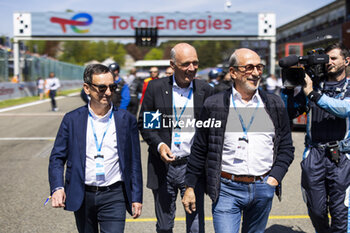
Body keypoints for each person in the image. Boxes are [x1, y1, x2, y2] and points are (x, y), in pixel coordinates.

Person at [182, 48, 294, 233]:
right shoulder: (213, 104)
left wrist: (274, 178)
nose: (256, 73)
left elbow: (286, 147)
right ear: (233, 72)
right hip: (227, 189)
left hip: (262, 187)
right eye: (249, 67)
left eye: (259, 67)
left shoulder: (274, 104)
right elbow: (200, 148)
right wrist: (190, 186)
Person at [48, 64, 143, 232]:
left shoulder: (126, 120)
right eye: (101, 88)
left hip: (115, 195)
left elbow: (134, 161)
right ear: (87, 88)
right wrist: (57, 187)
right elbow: (57, 157)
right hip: (82, 194)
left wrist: (136, 197)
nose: (108, 92)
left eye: (112, 87)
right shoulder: (72, 119)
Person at [138, 43, 214, 233]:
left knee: (196, 226)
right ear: (172, 65)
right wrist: (160, 145)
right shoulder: (156, 88)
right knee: (164, 227)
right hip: (164, 168)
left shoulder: (204, 90)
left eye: (195, 63)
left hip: (192, 166)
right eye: (186, 64)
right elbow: (147, 125)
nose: (192, 68)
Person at [283, 42, 350, 233]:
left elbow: (345, 109)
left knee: (341, 213)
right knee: (316, 210)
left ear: (346, 61)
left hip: (342, 157)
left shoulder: (345, 86)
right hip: (314, 154)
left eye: (334, 58)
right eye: (326, 58)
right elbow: (289, 112)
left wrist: (313, 94)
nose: (329, 62)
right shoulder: (311, 85)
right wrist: (288, 87)